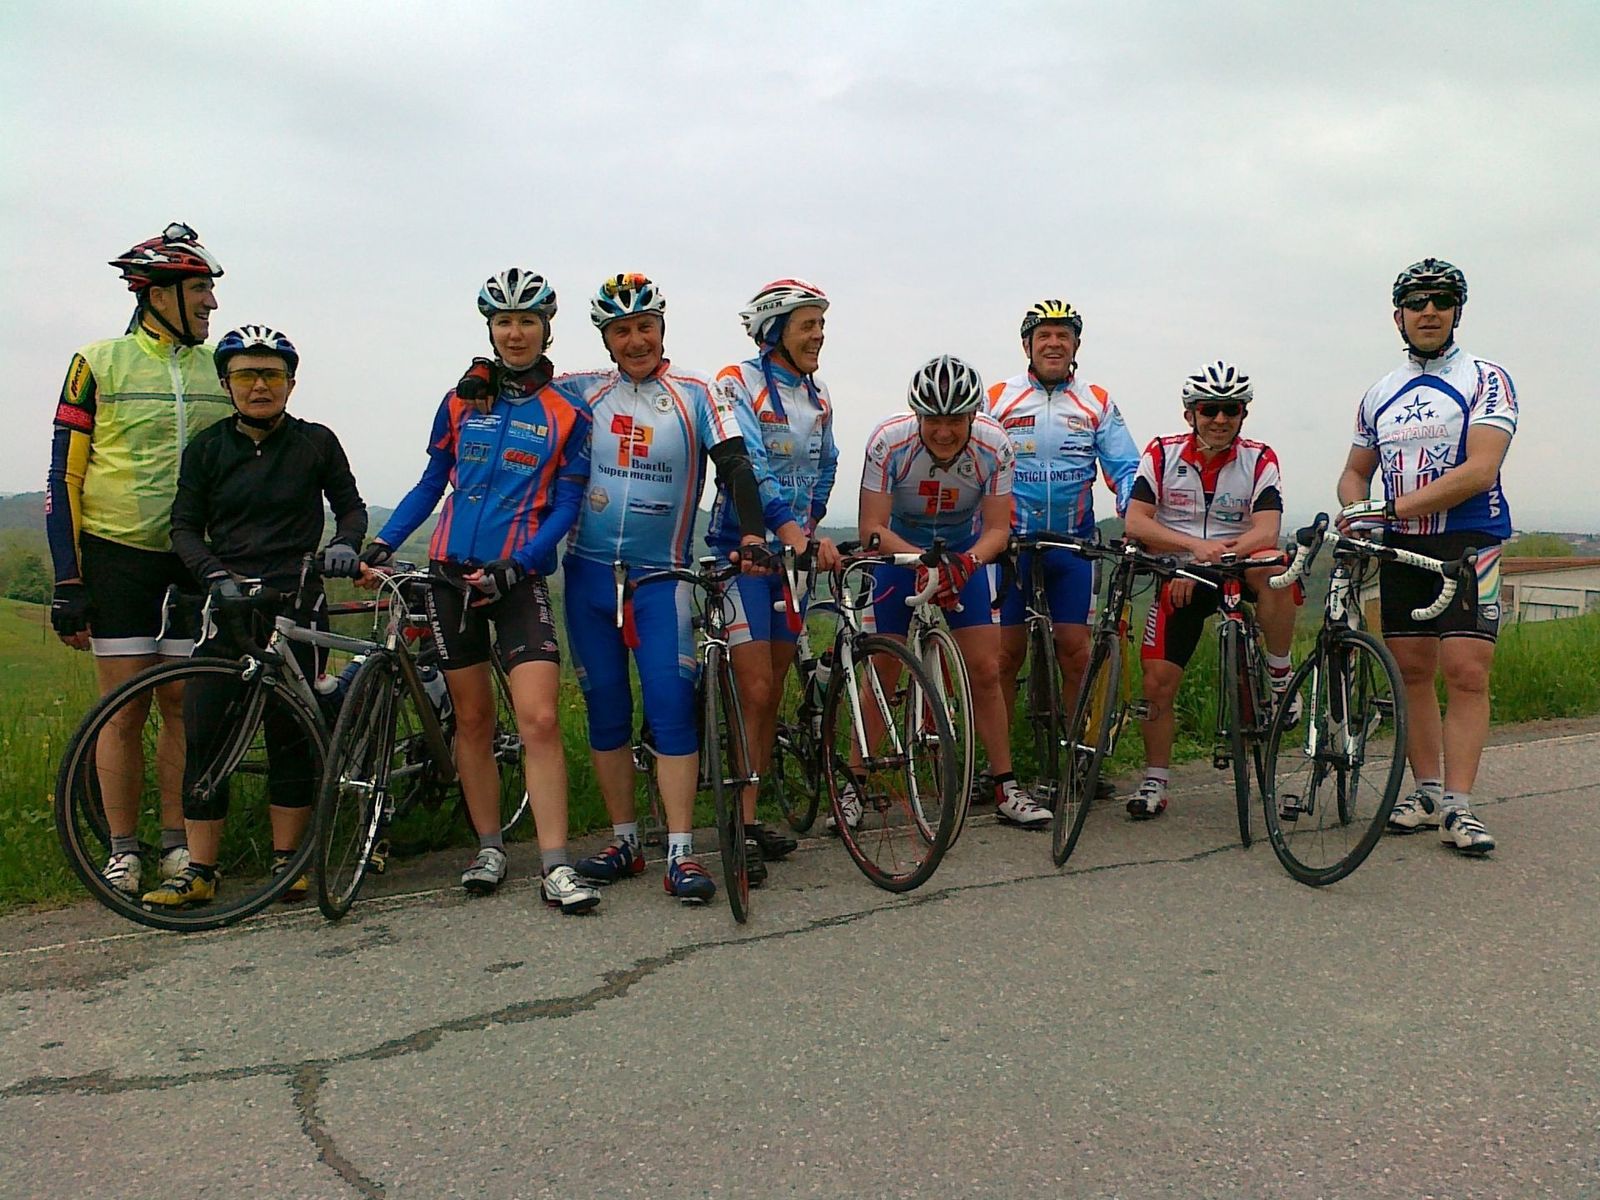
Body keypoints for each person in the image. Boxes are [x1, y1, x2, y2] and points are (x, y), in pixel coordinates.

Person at [359, 269, 601, 911]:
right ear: (490, 329)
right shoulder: (461, 401)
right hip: (449, 576)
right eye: (503, 322)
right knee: (471, 719)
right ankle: (489, 847)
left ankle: (556, 864)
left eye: (527, 321)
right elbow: (431, 481)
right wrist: (384, 541)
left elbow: (566, 507)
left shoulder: (569, 414)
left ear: (546, 328)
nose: (515, 333)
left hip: (516, 579)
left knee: (539, 718)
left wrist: (520, 564)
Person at [563, 273, 770, 904]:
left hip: (662, 577)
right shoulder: (582, 390)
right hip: (589, 572)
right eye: (621, 331)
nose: (635, 341)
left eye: (645, 327)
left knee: (670, 704)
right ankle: (624, 841)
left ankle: (681, 851)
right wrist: (482, 377)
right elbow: (521, 388)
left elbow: (735, 463)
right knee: (606, 709)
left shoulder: (697, 393)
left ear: (662, 328)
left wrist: (753, 533)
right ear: (606, 338)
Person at [143, 326, 367, 906]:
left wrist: (345, 543)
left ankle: (288, 861)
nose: (259, 386)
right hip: (229, 606)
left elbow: (350, 508)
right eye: (246, 375)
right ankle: (200, 870)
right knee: (205, 730)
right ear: (227, 384)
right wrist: (213, 575)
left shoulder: (316, 442)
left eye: (271, 374)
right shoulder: (209, 448)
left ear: (291, 382)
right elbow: (184, 527)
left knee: (292, 733)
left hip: (297, 603)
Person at [45, 222, 232, 897]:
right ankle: (123, 850)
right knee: (122, 709)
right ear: (158, 294)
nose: (212, 302)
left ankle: (178, 843)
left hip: (191, 559)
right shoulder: (99, 361)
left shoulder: (220, 367)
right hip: (118, 553)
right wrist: (68, 578)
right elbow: (64, 476)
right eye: (200, 289)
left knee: (182, 704)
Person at [1335, 258, 1514, 856]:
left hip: (1470, 539)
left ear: (1457, 311)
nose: (1429, 311)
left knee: (1467, 670)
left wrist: (1389, 509)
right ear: (1399, 317)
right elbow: (1354, 471)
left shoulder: (1486, 379)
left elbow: (1481, 468)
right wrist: (1358, 510)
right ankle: (1428, 791)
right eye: (1417, 302)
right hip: (1400, 545)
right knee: (1410, 670)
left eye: (1441, 301)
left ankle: (1460, 804)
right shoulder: (1379, 393)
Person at [854, 354, 1050, 829]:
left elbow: (998, 529)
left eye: (956, 420)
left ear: (973, 415)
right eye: (933, 420)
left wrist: (966, 563)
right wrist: (922, 561)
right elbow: (871, 529)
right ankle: (853, 783)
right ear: (917, 415)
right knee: (883, 669)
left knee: (986, 668)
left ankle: (1005, 785)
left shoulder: (994, 445)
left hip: (963, 551)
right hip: (900, 552)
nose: (944, 432)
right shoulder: (888, 442)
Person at [706, 279, 842, 884]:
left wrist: (809, 527)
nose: (819, 335)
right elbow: (751, 468)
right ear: (774, 330)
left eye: (821, 324)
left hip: (791, 558)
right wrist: (789, 532)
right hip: (740, 554)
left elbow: (827, 463)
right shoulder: (737, 382)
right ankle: (736, 820)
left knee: (774, 687)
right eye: (808, 324)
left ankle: (750, 809)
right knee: (756, 690)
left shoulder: (819, 395)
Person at [1122, 361, 1298, 819]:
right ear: (1191, 414)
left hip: (1239, 564)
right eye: (1209, 409)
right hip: (1181, 571)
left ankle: (1280, 676)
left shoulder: (1259, 458)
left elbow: (1267, 529)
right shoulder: (1161, 454)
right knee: (1157, 682)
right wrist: (1192, 552)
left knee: (1277, 568)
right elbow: (1136, 522)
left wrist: (1213, 558)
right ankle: (1155, 779)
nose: (1220, 419)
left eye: (1231, 409)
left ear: (1243, 414)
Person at [988, 299, 1140, 799]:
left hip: (1072, 546)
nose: (1054, 343)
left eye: (1063, 335)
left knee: (1076, 653)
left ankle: (1079, 758)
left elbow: (1125, 468)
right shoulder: (999, 398)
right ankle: (996, 769)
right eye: (1044, 335)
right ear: (1027, 345)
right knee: (1003, 659)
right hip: (1010, 549)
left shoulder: (1096, 401)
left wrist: (1134, 516)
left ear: (1076, 345)